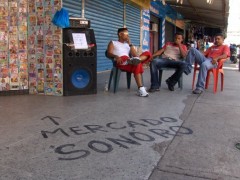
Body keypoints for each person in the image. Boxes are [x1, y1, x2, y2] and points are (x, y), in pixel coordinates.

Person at [107, 28, 152, 97]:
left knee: (147, 53)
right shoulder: (113, 42)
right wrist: (116, 56)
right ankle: (141, 88)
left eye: (128, 34)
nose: (128, 36)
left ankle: (134, 61)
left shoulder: (128, 45)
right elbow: (108, 53)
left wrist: (130, 44)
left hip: (129, 61)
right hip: (120, 61)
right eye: (126, 34)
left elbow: (135, 55)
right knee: (137, 63)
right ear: (120, 34)